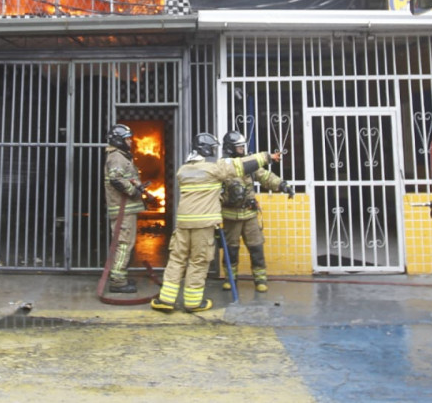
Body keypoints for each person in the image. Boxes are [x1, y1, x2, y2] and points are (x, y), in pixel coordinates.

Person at [151, 132, 282, 313]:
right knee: (198, 261)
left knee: (177, 260)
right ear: (206, 149)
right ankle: (193, 302)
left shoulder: (183, 171)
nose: (213, 152)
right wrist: (267, 156)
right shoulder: (214, 170)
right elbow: (240, 165)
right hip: (203, 225)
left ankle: (166, 300)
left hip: (182, 225)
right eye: (212, 148)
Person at [219, 130, 294, 293]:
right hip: (230, 216)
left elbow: (265, 176)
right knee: (231, 249)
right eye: (239, 147)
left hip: (250, 215)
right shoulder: (223, 167)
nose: (242, 150)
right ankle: (230, 278)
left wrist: (282, 185)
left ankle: (260, 279)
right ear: (231, 148)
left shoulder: (249, 165)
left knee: (256, 247)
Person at [103, 123, 145, 294]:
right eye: (127, 138)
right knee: (123, 244)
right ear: (119, 140)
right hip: (122, 209)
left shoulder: (121, 156)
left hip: (125, 208)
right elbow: (116, 179)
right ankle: (118, 281)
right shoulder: (117, 158)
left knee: (126, 243)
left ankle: (121, 276)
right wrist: (133, 191)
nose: (130, 141)